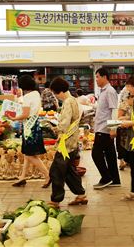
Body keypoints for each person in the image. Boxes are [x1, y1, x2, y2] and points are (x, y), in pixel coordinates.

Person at [47, 77, 87, 208]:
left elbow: (64, 123)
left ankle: (55, 200)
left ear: (59, 91)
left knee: (56, 171)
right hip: (72, 141)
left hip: (66, 143)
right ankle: (81, 195)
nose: (55, 96)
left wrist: (55, 128)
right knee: (69, 171)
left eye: (54, 93)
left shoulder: (67, 102)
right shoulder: (73, 100)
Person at [8, 74, 50, 188]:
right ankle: (22, 177)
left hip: (29, 129)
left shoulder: (27, 97)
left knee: (30, 155)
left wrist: (13, 118)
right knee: (27, 154)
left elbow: (25, 114)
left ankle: (47, 175)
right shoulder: (36, 94)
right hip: (35, 125)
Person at [92, 68, 121, 189]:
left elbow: (114, 109)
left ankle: (106, 177)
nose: (96, 80)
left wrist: (113, 128)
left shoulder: (109, 91)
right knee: (110, 154)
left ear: (105, 77)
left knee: (96, 154)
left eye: (98, 77)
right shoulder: (103, 91)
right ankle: (115, 179)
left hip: (105, 128)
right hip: (102, 127)